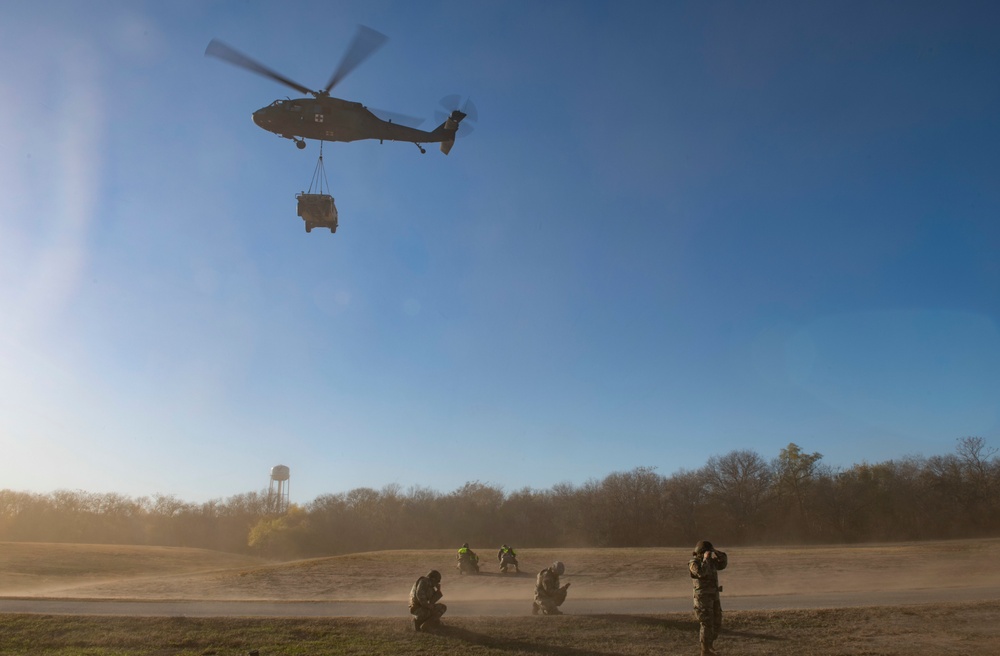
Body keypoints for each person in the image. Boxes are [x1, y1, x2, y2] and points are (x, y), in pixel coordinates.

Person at [689, 540, 728, 656]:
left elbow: (723, 563)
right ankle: (705, 650)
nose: (709, 554)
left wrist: (715, 551)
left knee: (717, 621)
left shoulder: (711, 562)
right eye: (707, 552)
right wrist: (706, 559)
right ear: (700, 552)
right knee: (706, 623)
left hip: (714, 596)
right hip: (703, 599)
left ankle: (710, 646)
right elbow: (701, 573)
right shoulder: (693, 563)